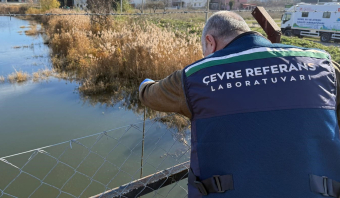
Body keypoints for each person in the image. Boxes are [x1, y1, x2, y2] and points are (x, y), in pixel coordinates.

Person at [139, 11, 340, 198]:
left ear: (210, 42)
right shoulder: (323, 65)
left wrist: (144, 83)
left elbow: (149, 95)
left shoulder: (194, 78)